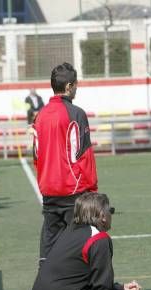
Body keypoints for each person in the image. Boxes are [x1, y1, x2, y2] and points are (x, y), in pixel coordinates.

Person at [32, 62, 97, 266]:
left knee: (50, 242)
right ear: (69, 86)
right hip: (73, 190)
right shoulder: (76, 113)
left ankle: (46, 282)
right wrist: (92, 189)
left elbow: (36, 154)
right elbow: (84, 154)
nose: (76, 88)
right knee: (79, 242)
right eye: (75, 84)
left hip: (48, 190)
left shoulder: (40, 115)